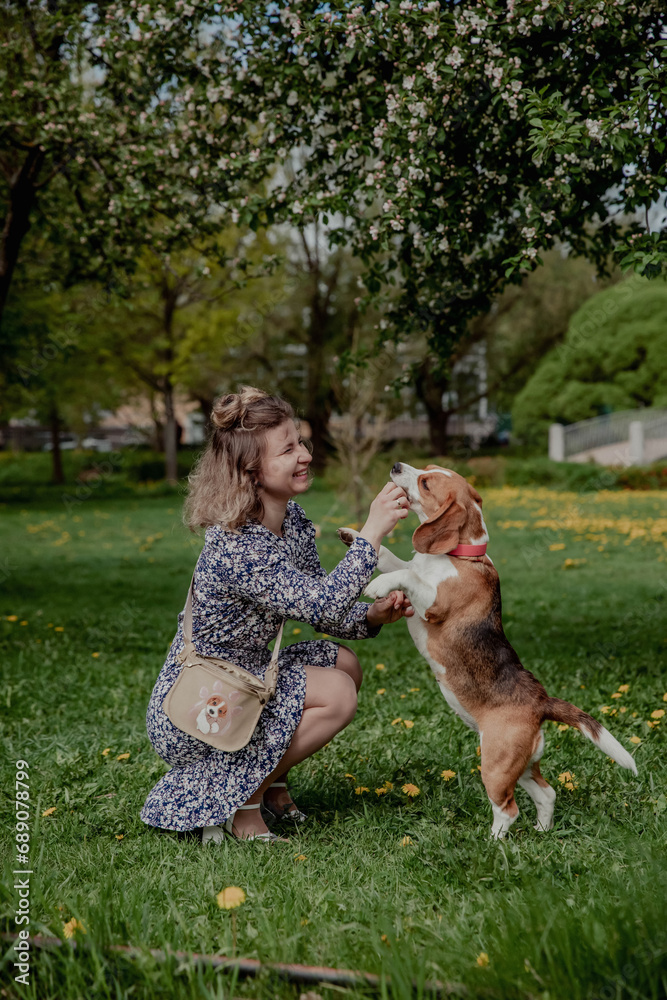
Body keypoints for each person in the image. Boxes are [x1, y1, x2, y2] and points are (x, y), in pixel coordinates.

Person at [139, 386, 413, 844]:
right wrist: (373, 532)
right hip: (202, 699)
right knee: (338, 694)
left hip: (248, 671)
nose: (304, 454)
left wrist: (372, 617)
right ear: (252, 471)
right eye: (287, 449)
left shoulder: (292, 520)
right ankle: (242, 804)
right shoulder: (238, 544)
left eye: (300, 442)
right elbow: (322, 602)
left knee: (343, 663)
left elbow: (321, 608)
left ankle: (270, 787)